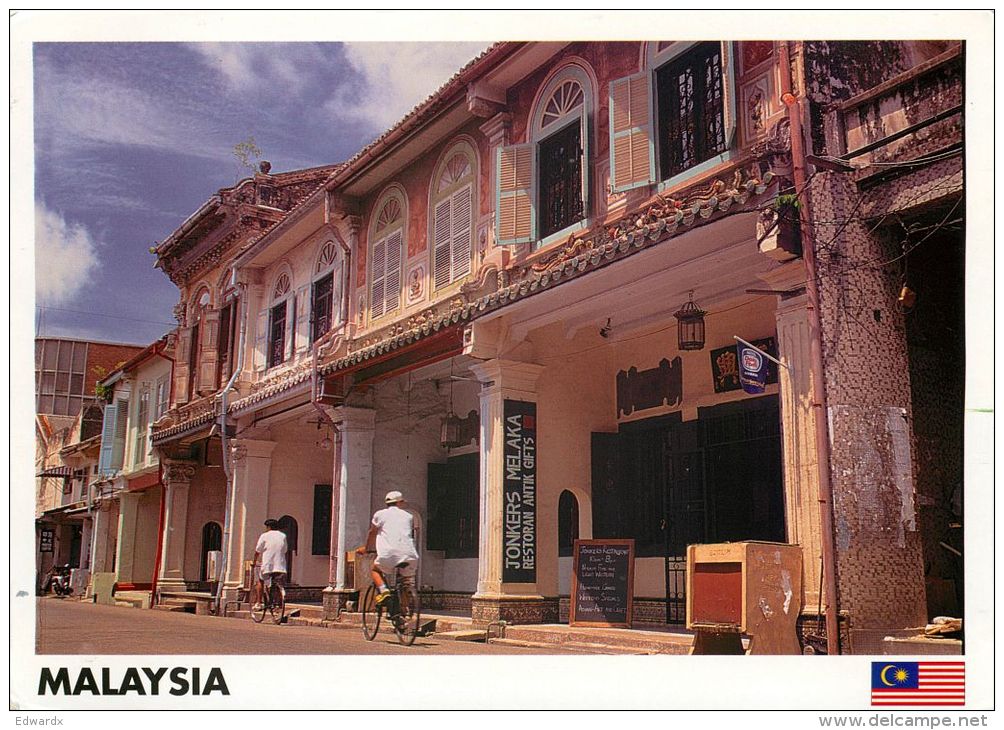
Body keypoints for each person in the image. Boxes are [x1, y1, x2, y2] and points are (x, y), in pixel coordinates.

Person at [357, 491, 419, 606]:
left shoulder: (380, 514)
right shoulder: (409, 516)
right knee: (405, 581)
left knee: (375, 569)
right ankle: (405, 612)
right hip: (410, 555)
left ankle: (384, 591)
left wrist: (366, 548)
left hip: (389, 554)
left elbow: (372, 532)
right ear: (400, 502)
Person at [254, 518, 288, 607]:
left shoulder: (264, 536)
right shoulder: (283, 536)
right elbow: (285, 550)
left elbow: (258, 551)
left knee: (260, 581)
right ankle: (277, 603)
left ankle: (258, 602)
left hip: (267, 565)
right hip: (280, 565)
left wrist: (254, 562)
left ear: (268, 527)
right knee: (277, 582)